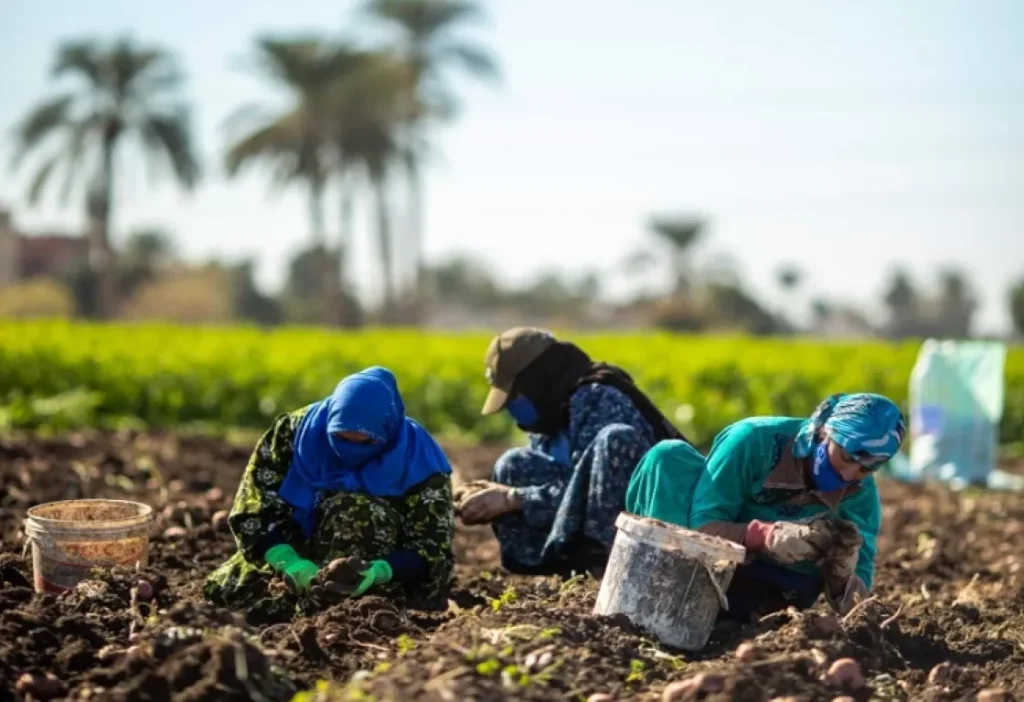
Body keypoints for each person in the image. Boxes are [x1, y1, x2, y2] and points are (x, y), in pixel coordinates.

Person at [625, 392, 906, 619]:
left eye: (865, 469)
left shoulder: (860, 496)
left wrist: (841, 575)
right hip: (705, 565)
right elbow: (704, 526)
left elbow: (859, 606)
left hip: (775, 589)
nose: (848, 475)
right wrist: (764, 537)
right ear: (824, 432)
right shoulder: (753, 441)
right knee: (668, 459)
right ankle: (657, 588)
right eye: (845, 456)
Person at [205, 366, 455, 618]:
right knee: (227, 595)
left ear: (387, 431)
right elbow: (254, 513)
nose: (351, 450)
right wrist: (288, 562)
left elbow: (430, 545)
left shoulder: (418, 457)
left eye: (366, 442)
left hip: (385, 567)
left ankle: (352, 604)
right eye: (341, 438)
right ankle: (306, 592)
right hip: (294, 555)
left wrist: (381, 571)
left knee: (355, 509)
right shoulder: (292, 435)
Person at [457, 327, 689, 577]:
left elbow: (593, 492)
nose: (511, 407)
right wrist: (489, 497)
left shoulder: (599, 400)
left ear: (537, 379)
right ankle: (556, 566)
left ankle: (605, 566)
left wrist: (513, 498)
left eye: (515, 395)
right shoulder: (551, 413)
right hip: (583, 523)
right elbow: (566, 485)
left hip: (649, 530)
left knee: (615, 438)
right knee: (513, 464)